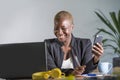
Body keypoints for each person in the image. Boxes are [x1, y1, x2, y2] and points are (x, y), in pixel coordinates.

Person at [45, 10, 104, 76]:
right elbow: (52, 70)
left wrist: (96, 58)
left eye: (63, 28)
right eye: (56, 28)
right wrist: (71, 72)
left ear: (72, 27)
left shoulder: (85, 44)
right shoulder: (47, 45)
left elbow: (87, 70)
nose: (59, 32)